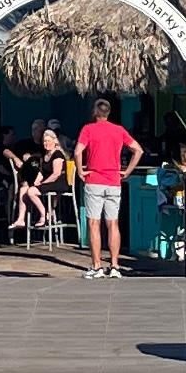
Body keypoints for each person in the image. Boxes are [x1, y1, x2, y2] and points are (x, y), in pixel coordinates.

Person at [69, 97, 144, 279]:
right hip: (113, 181)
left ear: (95, 112)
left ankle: (96, 266)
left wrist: (80, 171)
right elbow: (138, 150)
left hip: (94, 179)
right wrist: (127, 171)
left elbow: (78, 151)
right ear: (109, 112)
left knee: (94, 223)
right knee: (113, 224)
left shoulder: (88, 129)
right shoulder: (118, 130)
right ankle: (115, 265)